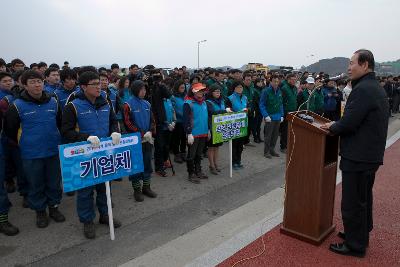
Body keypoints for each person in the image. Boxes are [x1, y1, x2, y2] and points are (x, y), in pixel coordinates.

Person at [321, 49, 389, 258]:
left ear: (365, 64)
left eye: (352, 63)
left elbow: (350, 122)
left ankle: (355, 245)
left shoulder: (363, 90)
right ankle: (358, 233)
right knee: (363, 198)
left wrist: (333, 126)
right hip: (368, 154)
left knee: (353, 201)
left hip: (359, 155)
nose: (349, 68)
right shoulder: (372, 86)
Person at [61, 71, 121, 239]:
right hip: (84, 155)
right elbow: (66, 131)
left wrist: (115, 132)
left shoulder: (106, 103)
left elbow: (113, 122)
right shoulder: (73, 106)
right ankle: (87, 220)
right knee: (86, 191)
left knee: (105, 187)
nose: (99, 86)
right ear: (83, 87)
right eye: (94, 84)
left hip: (103, 153)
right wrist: (84, 138)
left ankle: (104, 214)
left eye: (99, 83)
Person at [5, 70, 65, 228]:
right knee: (35, 183)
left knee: (54, 182)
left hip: (53, 150)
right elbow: (10, 131)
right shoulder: (17, 106)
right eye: (32, 82)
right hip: (31, 153)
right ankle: (40, 211)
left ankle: (54, 207)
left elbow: (60, 123)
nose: (37, 85)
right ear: (24, 85)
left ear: (44, 82)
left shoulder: (54, 101)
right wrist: (25, 143)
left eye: (39, 81)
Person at [123, 80, 157, 202]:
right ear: (135, 90)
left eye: (145, 89)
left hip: (148, 139)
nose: (144, 92)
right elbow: (127, 123)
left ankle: (146, 187)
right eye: (141, 89)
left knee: (147, 163)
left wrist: (150, 131)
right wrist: (141, 134)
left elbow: (152, 120)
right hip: (135, 141)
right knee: (135, 165)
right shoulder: (128, 104)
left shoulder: (147, 103)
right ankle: (137, 190)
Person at [183, 83, 209, 183]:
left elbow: (206, 117)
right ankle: (191, 173)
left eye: (202, 90)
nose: (201, 92)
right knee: (191, 154)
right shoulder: (188, 103)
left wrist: (209, 130)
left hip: (203, 132)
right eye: (198, 91)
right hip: (193, 133)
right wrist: (189, 133)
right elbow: (186, 120)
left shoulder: (204, 103)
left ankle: (198, 170)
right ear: (193, 91)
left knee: (199, 154)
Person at [206, 84, 229, 175]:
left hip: (220, 128)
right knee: (211, 148)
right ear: (211, 92)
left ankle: (216, 164)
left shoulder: (222, 101)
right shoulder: (208, 102)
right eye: (216, 91)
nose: (218, 93)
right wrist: (225, 111)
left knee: (217, 147)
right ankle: (211, 165)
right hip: (211, 127)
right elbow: (212, 113)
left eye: (219, 91)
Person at [259, 75, 284, 158]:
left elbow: (280, 104)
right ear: (270, 82)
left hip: (277, 117)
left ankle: (272, 150)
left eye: (277, 81)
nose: (276, 83)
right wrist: (265, 115)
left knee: (275, 135)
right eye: (274, 81)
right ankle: (266, 152)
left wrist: (282, 115)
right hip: (269, 117)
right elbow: (262, 104)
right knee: (268, 136)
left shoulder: (279, 91)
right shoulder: (265, 91)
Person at [227, 81, 248, 170]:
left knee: (240, 145)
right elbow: (228, 110)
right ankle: (233, 162)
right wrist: (235, 112)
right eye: (238, 87)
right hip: (234, 124)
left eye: (241, 87)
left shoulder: (245, 97)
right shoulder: (230, 98)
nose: (240, 89)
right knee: (234, 145)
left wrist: (247, 109)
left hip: (243, 123)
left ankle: (238, 161)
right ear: (234, 88)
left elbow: (248, 107)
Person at [280, 73, 298, 152]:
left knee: (290, 129)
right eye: (292, 79)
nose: (294, 81)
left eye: (295, 79)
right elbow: (281, 101)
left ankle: (288, 144)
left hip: (293, 111)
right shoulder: (284, 88)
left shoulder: (295, 88)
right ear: (288, 80)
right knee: (284, 130)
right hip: (286, 111)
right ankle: (283, 146)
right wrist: (282, 112)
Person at [171, 80, 187, 163]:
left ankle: (183, 153)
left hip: (185, 121)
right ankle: (177, 154)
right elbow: (172, 109)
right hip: (178, 121)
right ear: (177, 87)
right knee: (177, 139)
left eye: (184, 87)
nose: (183, 88)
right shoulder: (173, 97)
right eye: (181, 87)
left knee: (184, 138)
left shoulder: (185, 96)